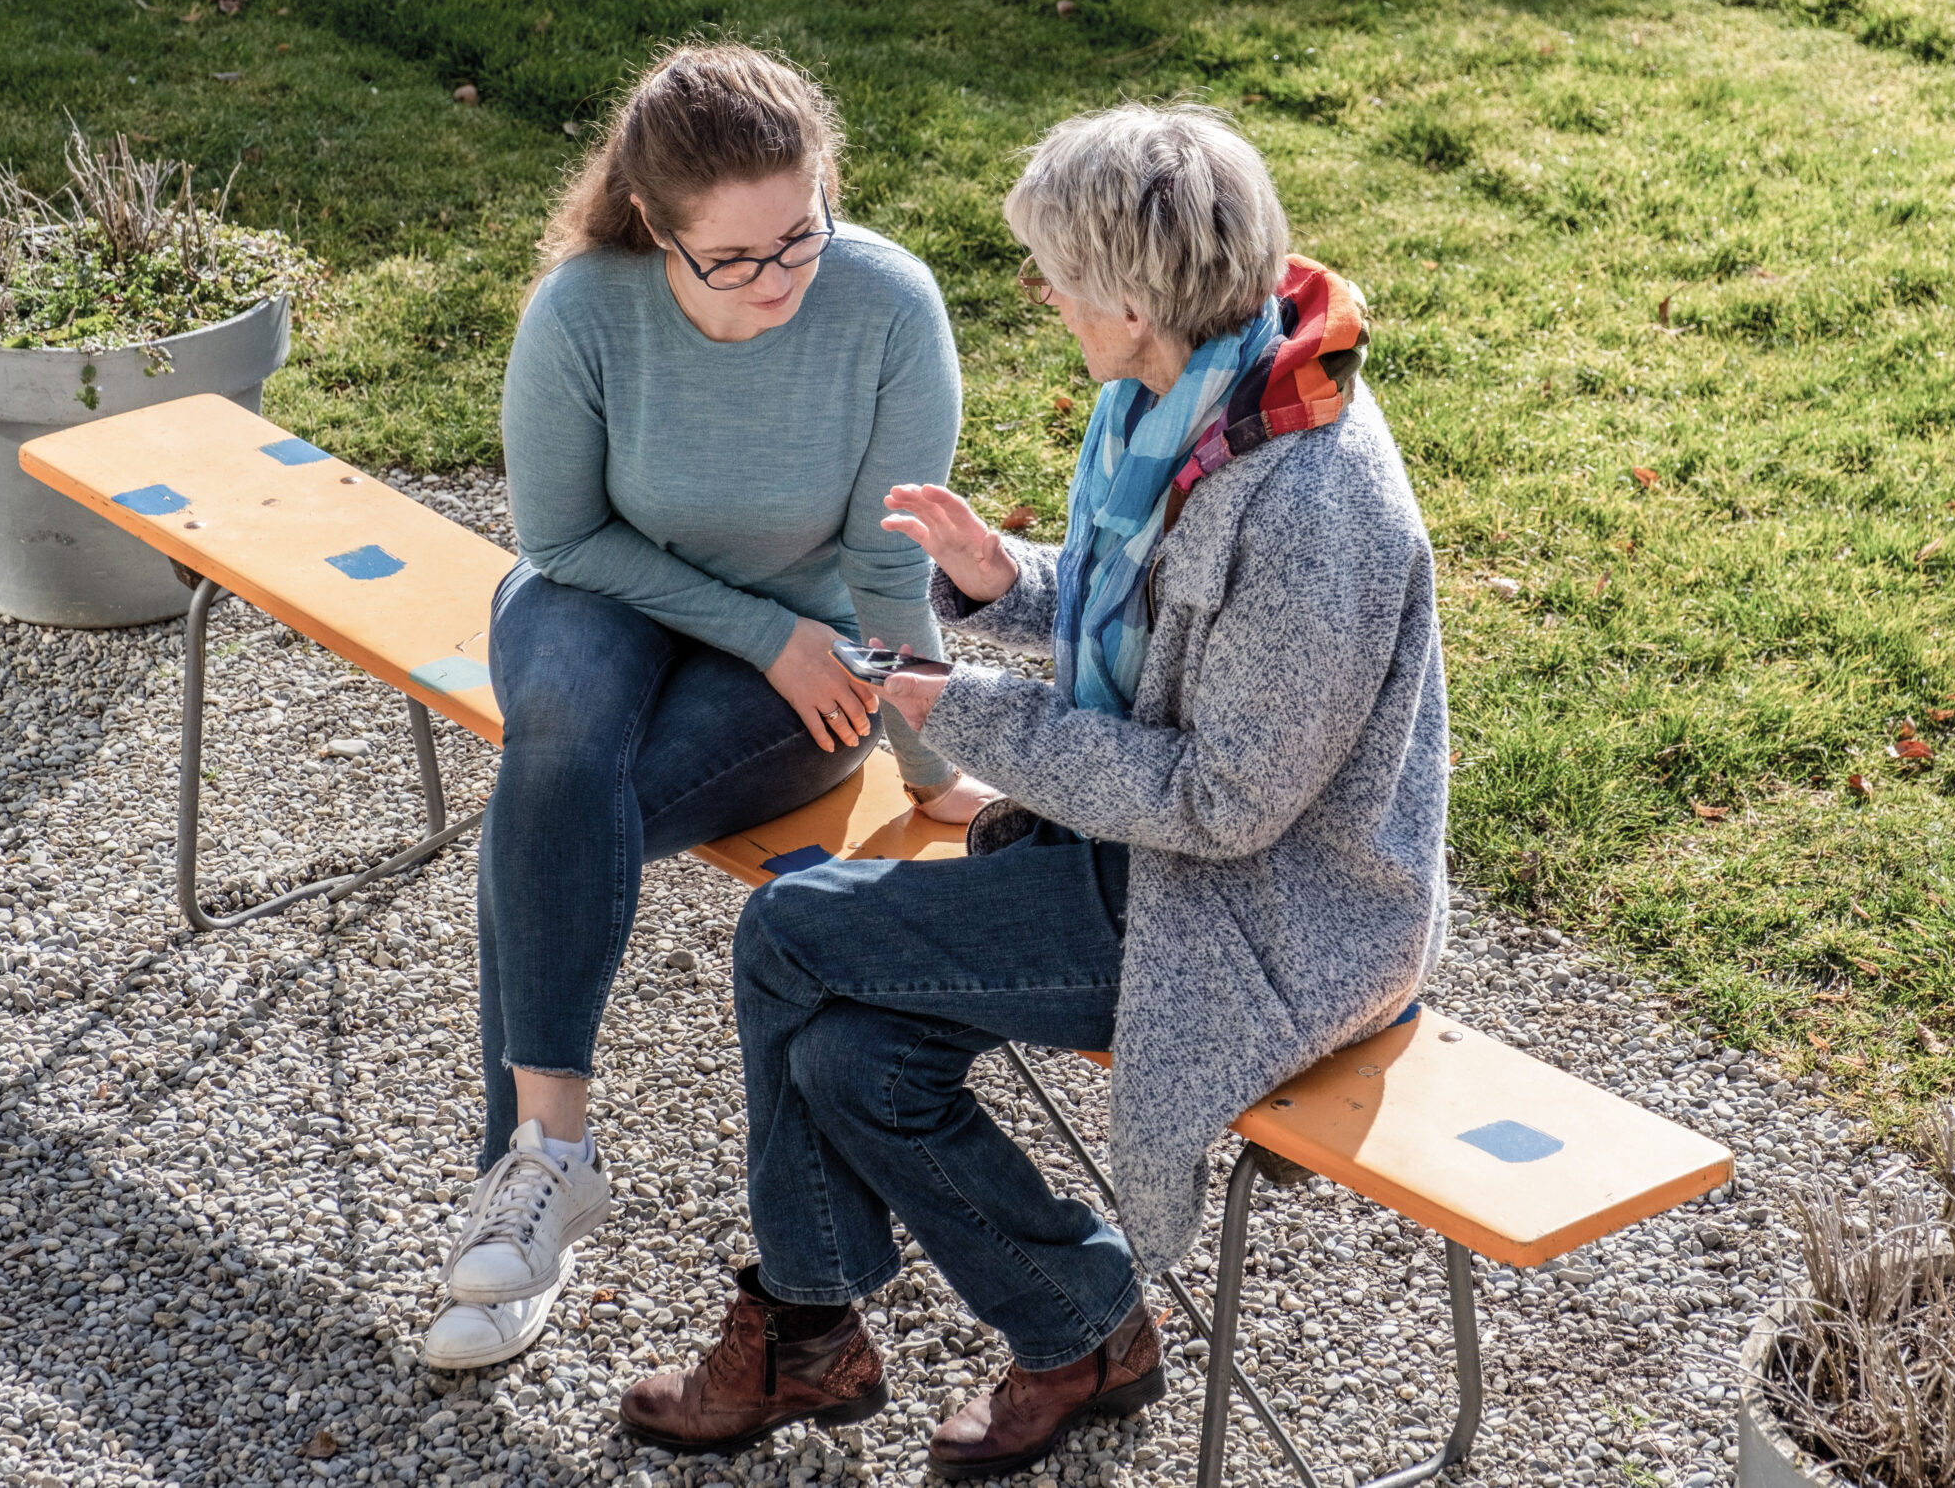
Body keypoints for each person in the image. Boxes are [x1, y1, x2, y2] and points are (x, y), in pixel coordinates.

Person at [618, 102, 1451, 1478]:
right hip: (1132, 854)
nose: (1042, 294)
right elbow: (1168, 639)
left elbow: (1229, 802)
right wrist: (1009, 582)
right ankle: (1081, 1327)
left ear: (1129, 296)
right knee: (849, 1058)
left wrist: (982, 718)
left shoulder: (1311, 504)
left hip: (1259, 916)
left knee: (789, 930)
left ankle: (804, 1332)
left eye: (1053, 271)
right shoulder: (1190, 404)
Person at [423, 44, 1002, 1371]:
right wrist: (759, 626)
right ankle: (550, 1156)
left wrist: (926, 760)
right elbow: (562, 534)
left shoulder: (889, 308)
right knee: (562, 747)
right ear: (652, 229)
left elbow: (887, 562)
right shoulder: (585, 309)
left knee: (562, 809)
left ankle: (512, 1192)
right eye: (732, 261)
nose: (777, 281)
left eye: (799, 237)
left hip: (811, 650)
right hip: (602, 591)